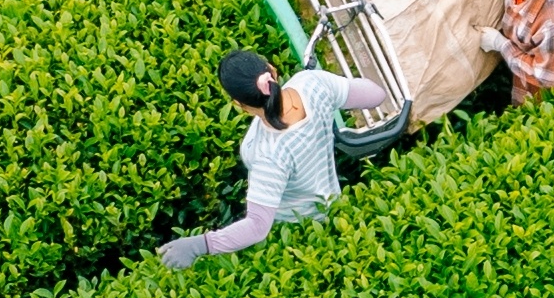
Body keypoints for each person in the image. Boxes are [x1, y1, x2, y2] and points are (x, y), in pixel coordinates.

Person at [159, 49, 390, 263]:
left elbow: (257, 226)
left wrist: (200, 245)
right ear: (272, 70)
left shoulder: (268, 152)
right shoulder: (312, 84)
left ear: (239, 104)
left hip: (296, 229)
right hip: (333, 202)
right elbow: (375, 95)